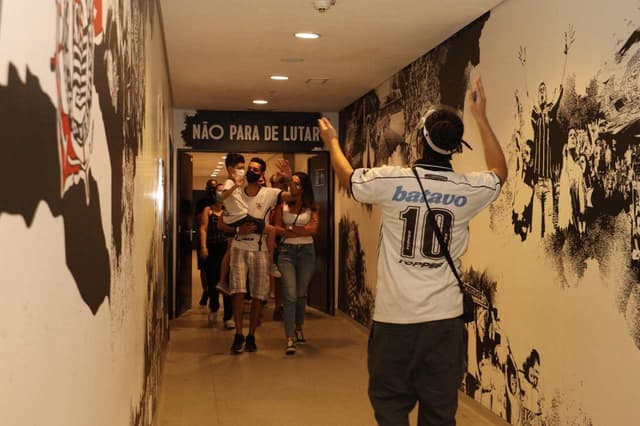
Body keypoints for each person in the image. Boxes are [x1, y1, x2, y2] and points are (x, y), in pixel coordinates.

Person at [318, 77, 507, 426]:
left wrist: (332, 142)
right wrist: (481, 116)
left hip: (395, 322)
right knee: (440, 411)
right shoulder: (468, 190)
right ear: (454, 148)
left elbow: (348, 178)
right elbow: (499, 172)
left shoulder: (392, 181)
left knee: (390, 407)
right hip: (444, 323)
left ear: (420, 141)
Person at [217, 155, 299, 354]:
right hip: (238, 248)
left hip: (260, 251)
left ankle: (252, 335)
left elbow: (293, 197)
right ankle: (238, 334)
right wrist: (238, 231)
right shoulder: (234, 192)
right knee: (237, 291)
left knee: (257, 296)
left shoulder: (270, 193)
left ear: (262, 174)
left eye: (256, 169)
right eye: (249, 168)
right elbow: (221, 223)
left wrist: (289, 179)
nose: (251, 171)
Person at [274, 172, 319, 355]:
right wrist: (299, 231)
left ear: (304, 187)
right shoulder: (282, 205)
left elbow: (313, 229)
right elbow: (277, 229)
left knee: (301, 294)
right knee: (290, 294)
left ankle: (299, 326)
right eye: (291, 182)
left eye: (297, 183)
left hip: (307, 253)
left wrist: (290, 229)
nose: (293, 186)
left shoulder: (312, 206)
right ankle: (289, 337)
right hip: (286, 253)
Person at [199, 183, 235, 329]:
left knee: (227, 282)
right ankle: (214, 307)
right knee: (213, 282)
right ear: (214, 194)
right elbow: (203, 228)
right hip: (212, 250)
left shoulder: (230, 211)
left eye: (224, 191)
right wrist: (203, 247)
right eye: (219, 191)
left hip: (227, 250)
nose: (221, 194)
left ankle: (228, 316)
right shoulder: (208, 210)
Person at [195, 179, 217, 306]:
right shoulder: (202, 202)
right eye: (210, 187)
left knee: (215, 269)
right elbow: (199, 220)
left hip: (217, 239)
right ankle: (206, 290)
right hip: (204, 238)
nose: (212, 189)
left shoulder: (220, 201)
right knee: (203, 267)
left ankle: (212, 291)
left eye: (214, 187)